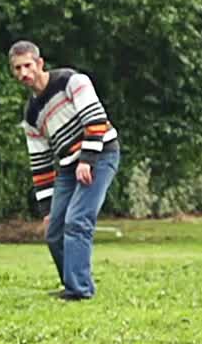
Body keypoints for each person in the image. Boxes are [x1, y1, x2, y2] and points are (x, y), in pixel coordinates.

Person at [9, 41, 120, 301]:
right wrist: (46, 210)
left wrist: (88, 159)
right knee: (54, 231)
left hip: (101, 153)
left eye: (28, 65)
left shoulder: (72, 81)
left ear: (40, 63)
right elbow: (40, 162)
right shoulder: (31, 114)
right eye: (17, 69)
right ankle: (71, 283)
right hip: (69, 166)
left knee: (77, 220)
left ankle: (80, 290)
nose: (24, 73)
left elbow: (95, 120)